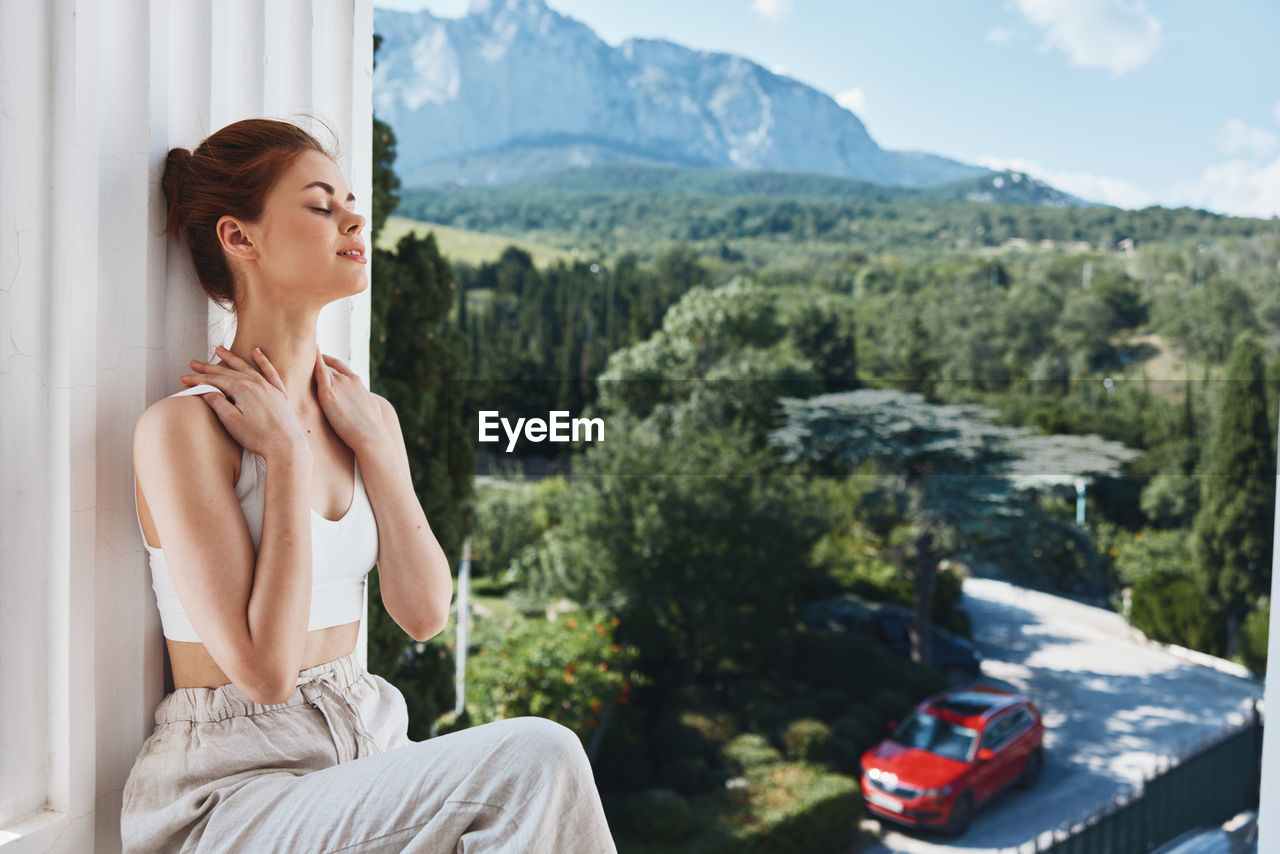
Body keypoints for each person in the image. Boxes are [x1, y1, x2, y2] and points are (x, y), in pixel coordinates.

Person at [120, 117, 618, 854]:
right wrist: (286, 460)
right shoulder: (180, 432)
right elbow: (262, 674)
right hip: (232, 795)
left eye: (351, 201)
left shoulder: (364, 415)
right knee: (539, 757)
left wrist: (383, 455)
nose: (355, 217)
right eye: (321, 205)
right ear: (240, 237)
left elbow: (423, 615)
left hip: (363, 748)